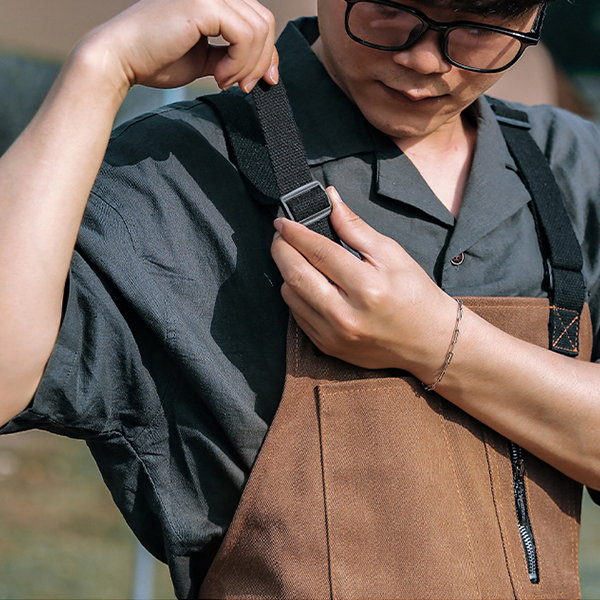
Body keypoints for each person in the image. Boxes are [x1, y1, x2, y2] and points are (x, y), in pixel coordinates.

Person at [0, 0, 599, 597]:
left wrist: (437, 340)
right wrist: (99, 67)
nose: (425, 61)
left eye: (478, 26)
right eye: (390, 9)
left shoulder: (574, 168)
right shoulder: (171, 171)